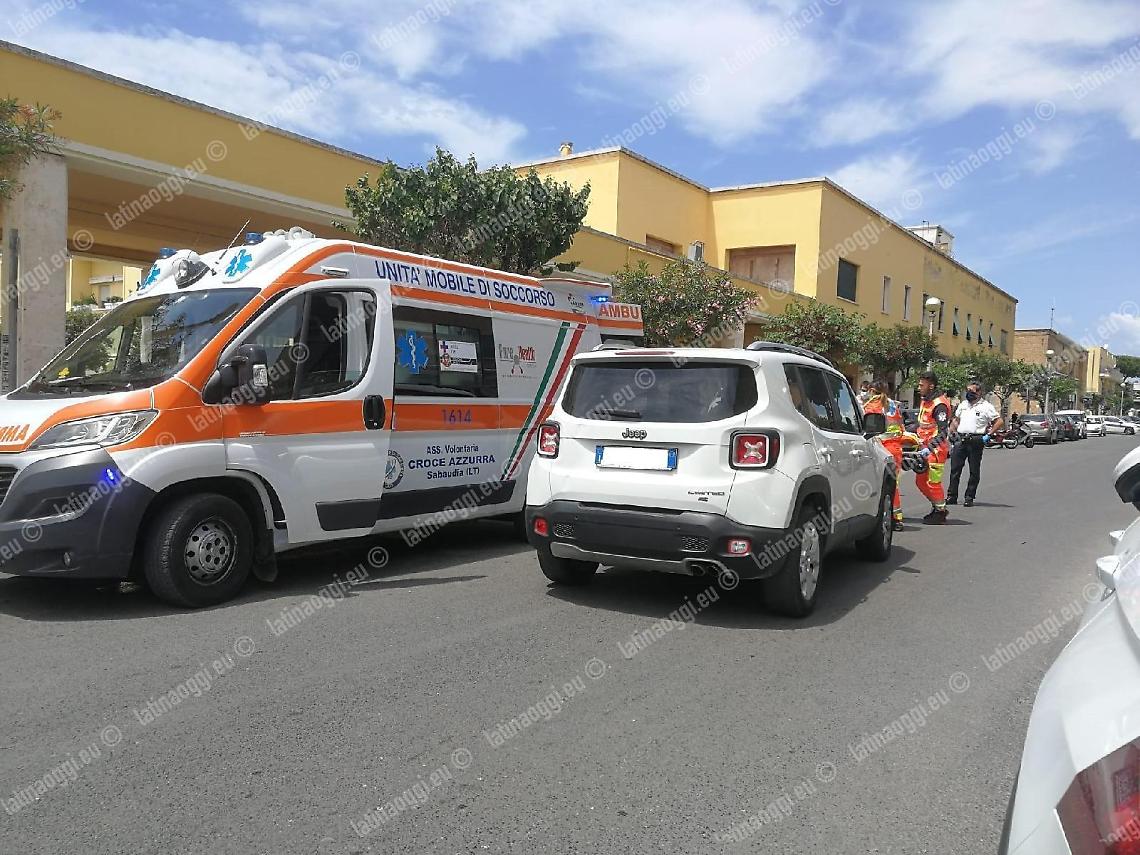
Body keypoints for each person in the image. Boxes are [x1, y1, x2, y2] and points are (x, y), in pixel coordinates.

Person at [947, 381, 1003, 507]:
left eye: (972, 391)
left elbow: (999, 421)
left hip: (976, 439)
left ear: (979, 392)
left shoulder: (986, 406)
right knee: (955, 469)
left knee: (974, 470)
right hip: (960, 439)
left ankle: (969, 496)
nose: (969, 393)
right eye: (967, 391)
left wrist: (988, 435)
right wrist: (952, 431)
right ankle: (952, 496)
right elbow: (956, 420)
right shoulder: (963, 405)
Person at [862, 378, 906, 530]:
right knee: (892, 484)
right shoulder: (893, 405)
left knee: (877, 484)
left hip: (880, 448)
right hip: (895, 448)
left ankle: (884, 517)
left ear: (872, 391)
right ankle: (896, 517)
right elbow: (901, 426)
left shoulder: (871, 405)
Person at [914, 370, 953, 524]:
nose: (919, 387)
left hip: (936, 451)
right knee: (920, 482)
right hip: (924, 448)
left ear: (931, 386)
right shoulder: (926, 401)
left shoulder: (939, 405)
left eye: (921, 385)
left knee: (933, 483)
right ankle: (937, 506)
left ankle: (940, 512)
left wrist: (928, 448)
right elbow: (923, 425)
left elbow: (943, 432)